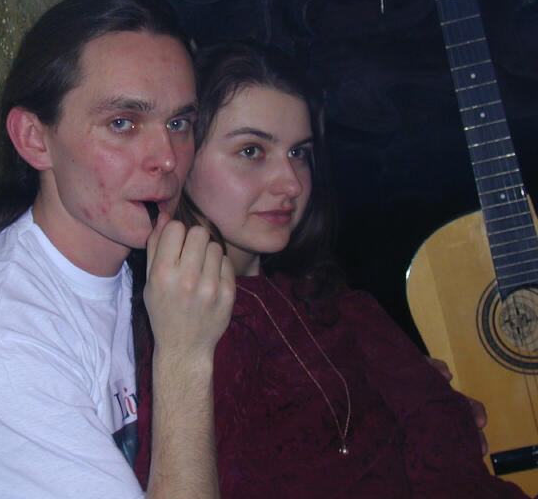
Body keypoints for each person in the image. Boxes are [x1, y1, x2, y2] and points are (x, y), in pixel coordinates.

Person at [133, 41, 529, 498]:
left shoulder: (335, 306)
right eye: (252, 151)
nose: (291, 183)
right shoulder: (181, 335)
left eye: (299, 153)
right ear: (181, 159)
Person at [0, 0, 235, 499]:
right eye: (122, 123)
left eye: (179, 123)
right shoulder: (1, 348)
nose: (168, 158)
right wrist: (185, 355)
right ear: (34, 139)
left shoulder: (145, 268)